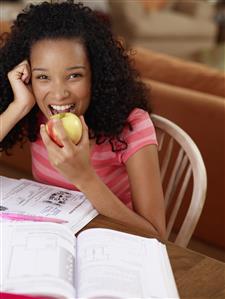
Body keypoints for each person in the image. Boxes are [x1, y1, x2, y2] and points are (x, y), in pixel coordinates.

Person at [0, 1, 165, 238]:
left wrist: (84, 177)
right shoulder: (36, 113)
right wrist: (18, 106)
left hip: (111, 245)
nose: (59, 94)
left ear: (95, 74)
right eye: (43, 76)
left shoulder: (132, 126)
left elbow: (157, 234)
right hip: (54, 239)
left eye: (74, 75)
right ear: (29, 78)